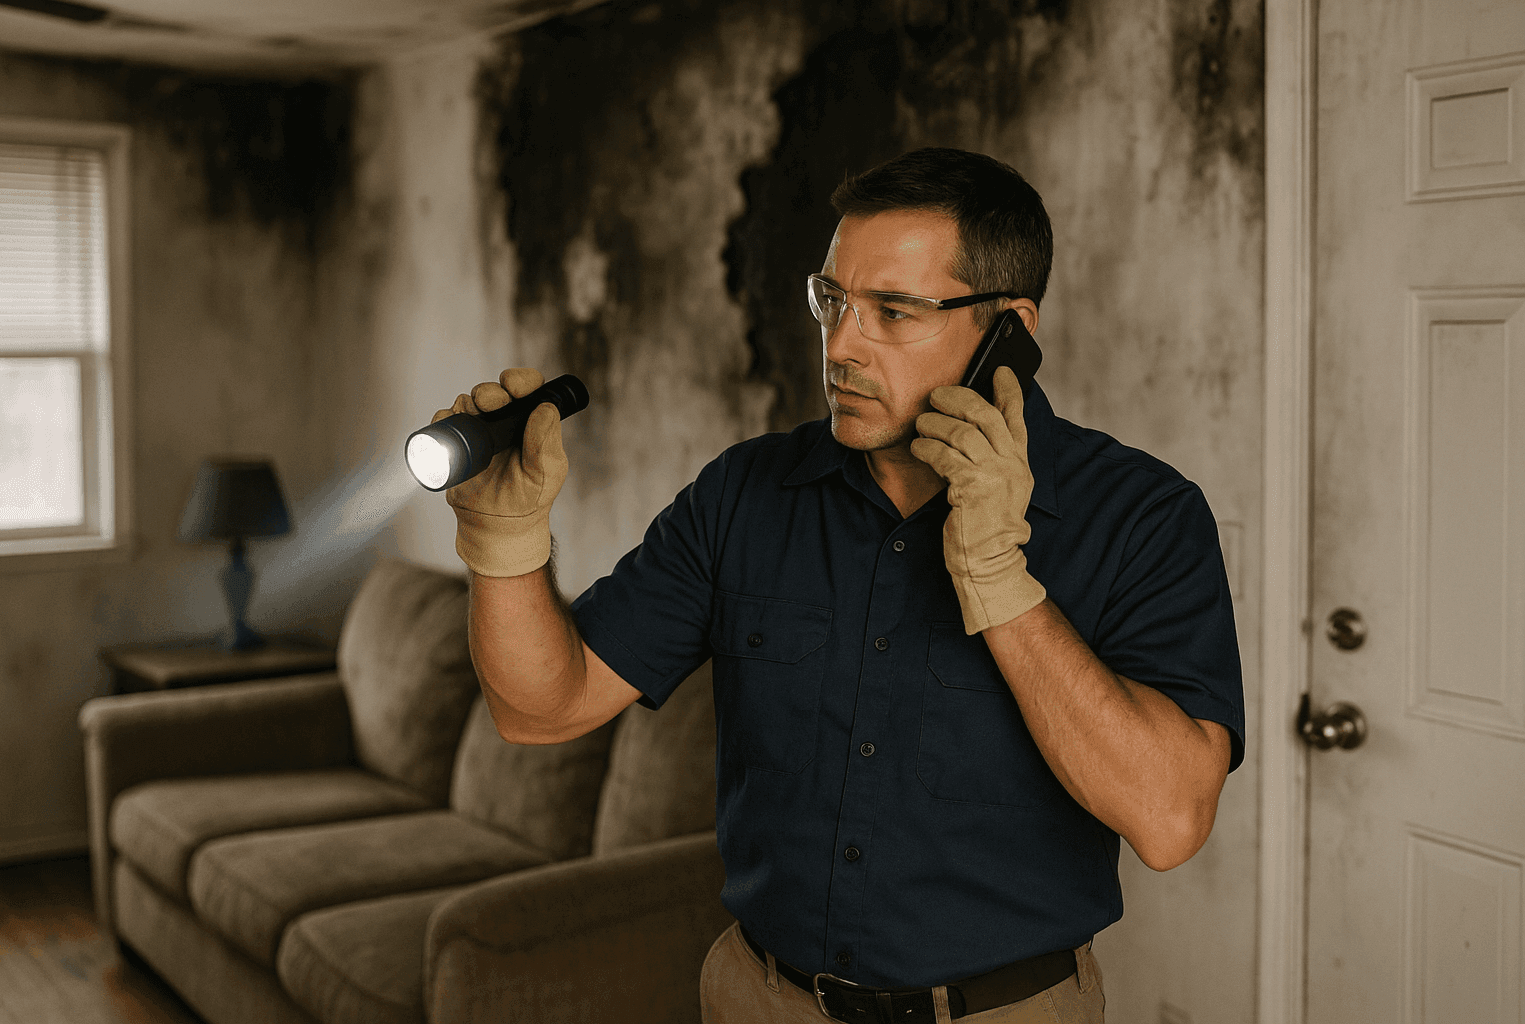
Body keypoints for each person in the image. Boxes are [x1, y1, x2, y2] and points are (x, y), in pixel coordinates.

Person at [434, 147, 1244, 1024]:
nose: (843, 344)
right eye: (833, 300)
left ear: (1010, 329)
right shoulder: (745, 494)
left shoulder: (1143, 514)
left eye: (895, 310)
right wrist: (504, 540)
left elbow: (1169, 821)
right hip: (758, 999)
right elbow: (541, 709)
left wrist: (1001, 585)